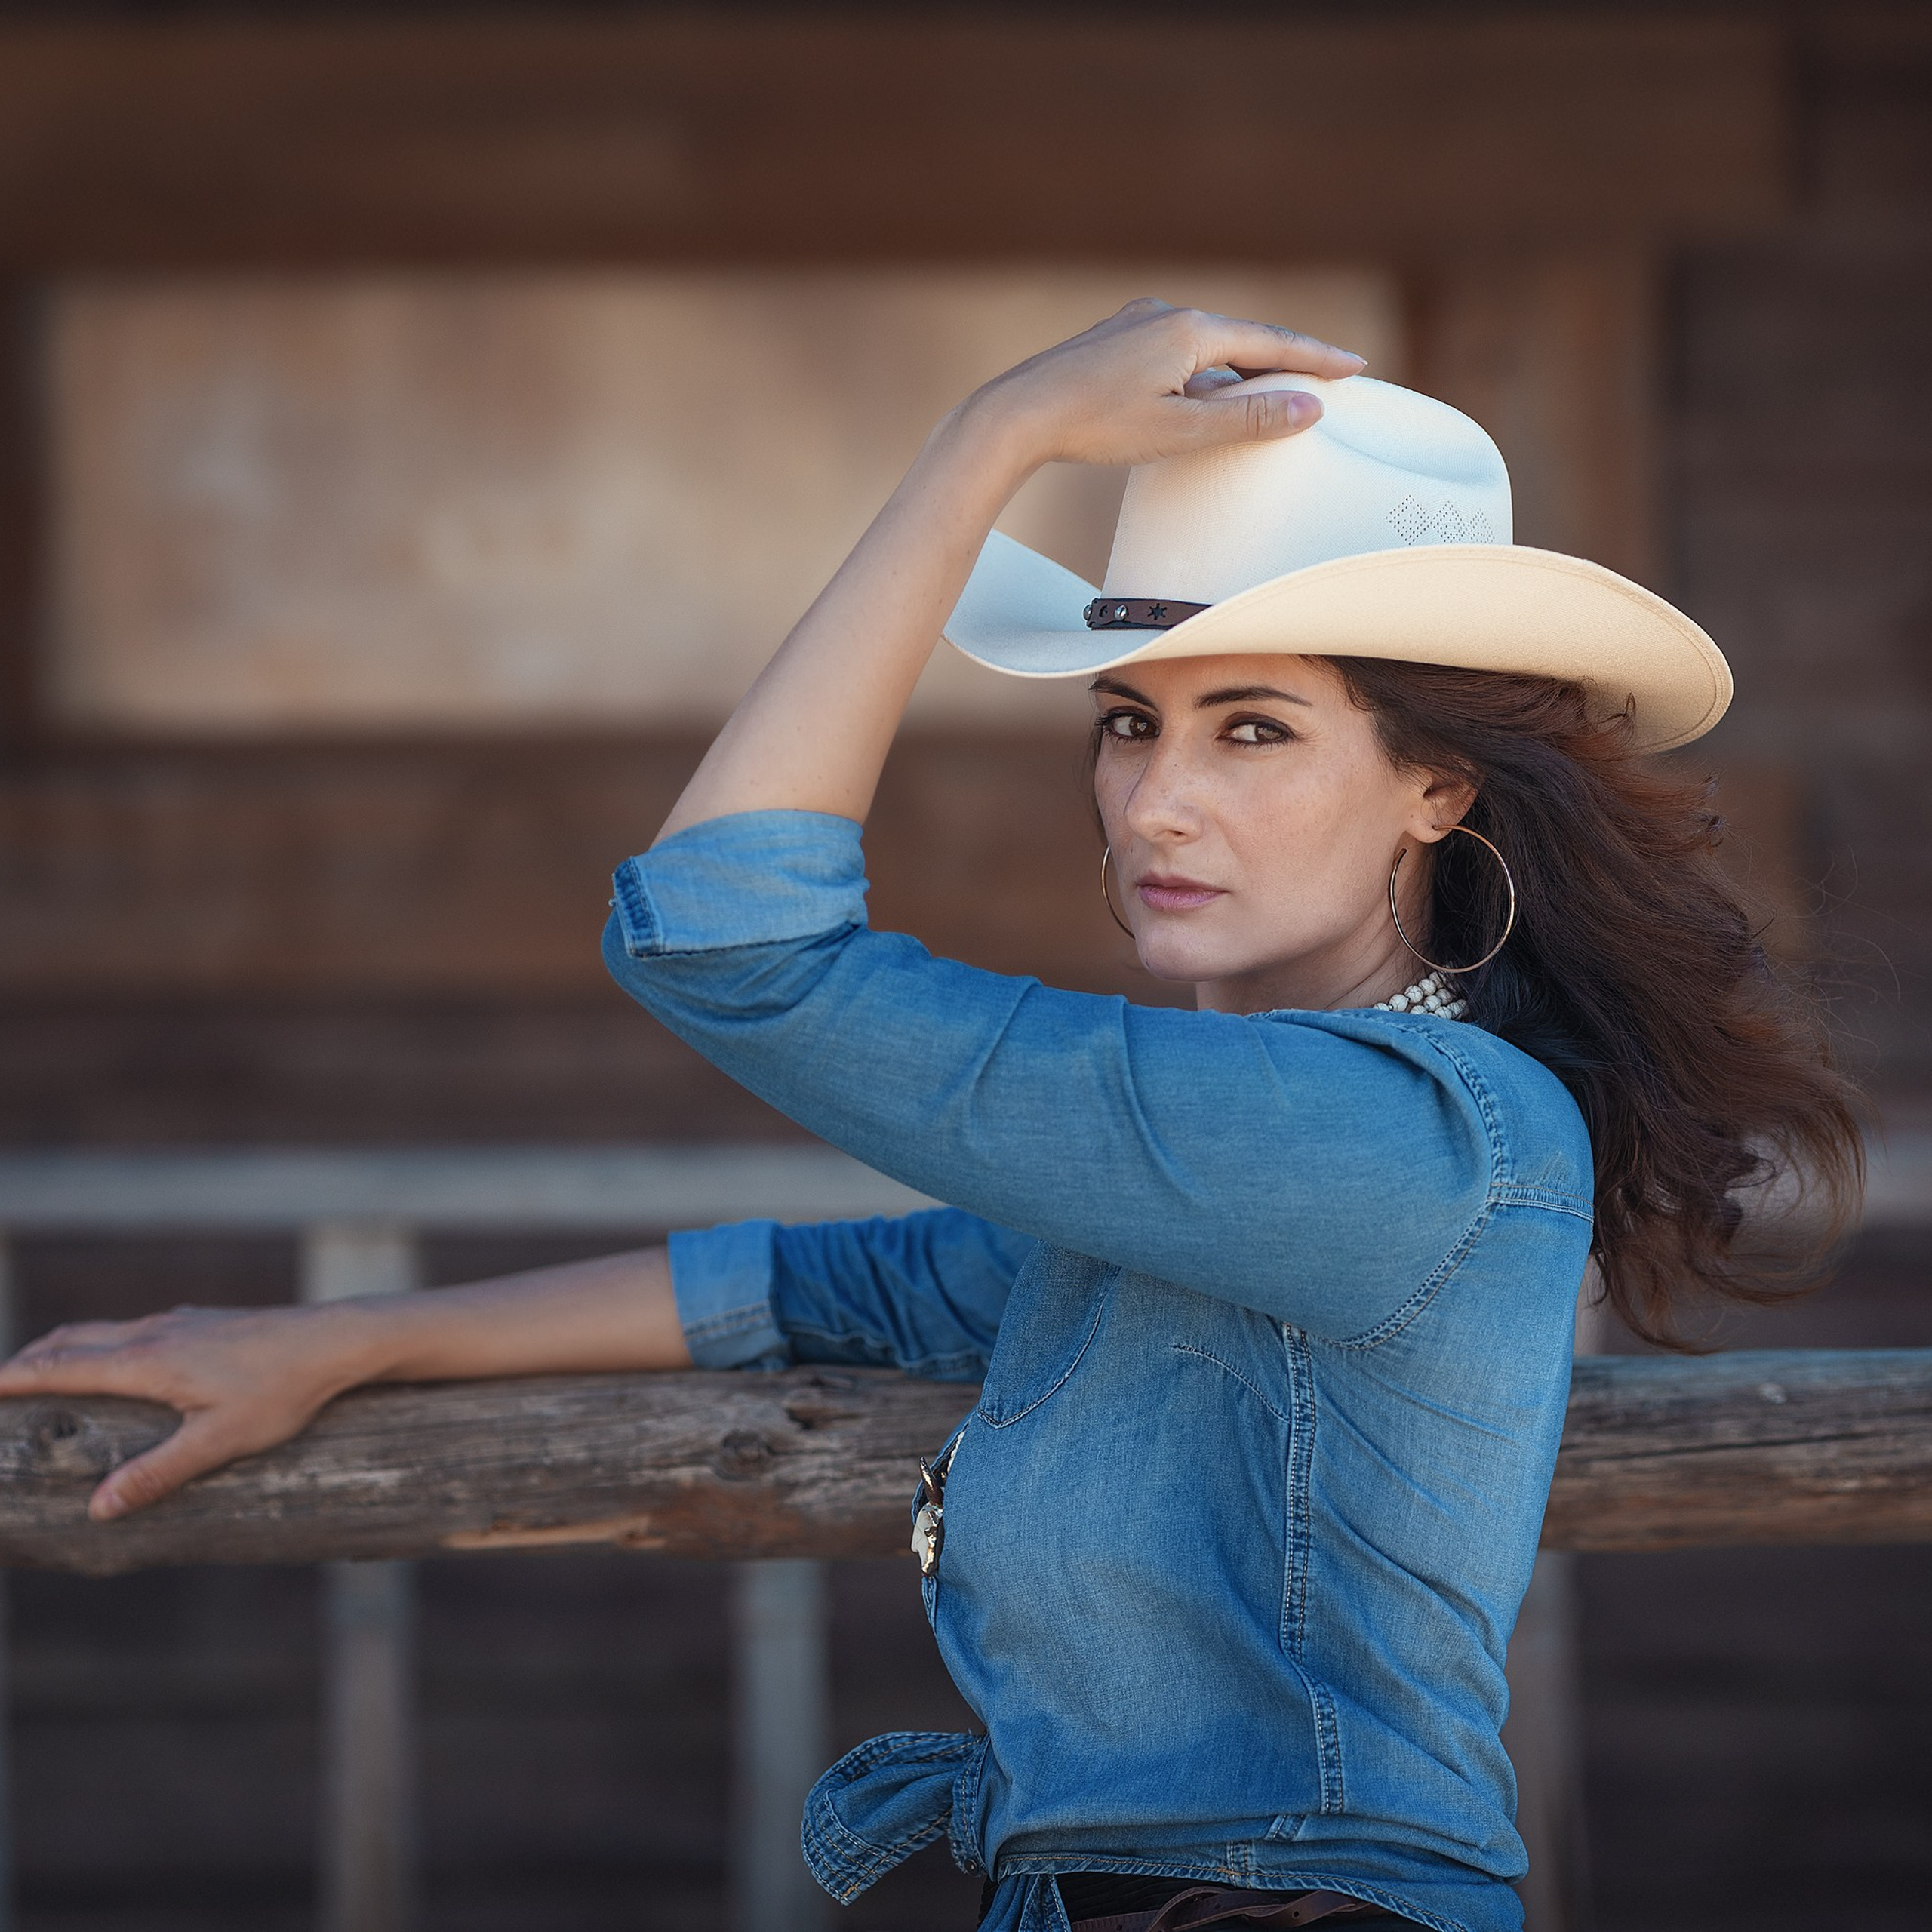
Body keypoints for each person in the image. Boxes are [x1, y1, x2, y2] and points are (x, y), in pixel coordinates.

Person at [0, 302, 1862, 1932]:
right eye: (1127, 719)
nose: (1154, 801)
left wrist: (992, 435)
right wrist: (335, 1341)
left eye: (1252, 728)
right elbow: (838, 1286)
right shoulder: (1231, 1165)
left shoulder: (1393, 1138)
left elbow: (736, 941)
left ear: (1435, 789)